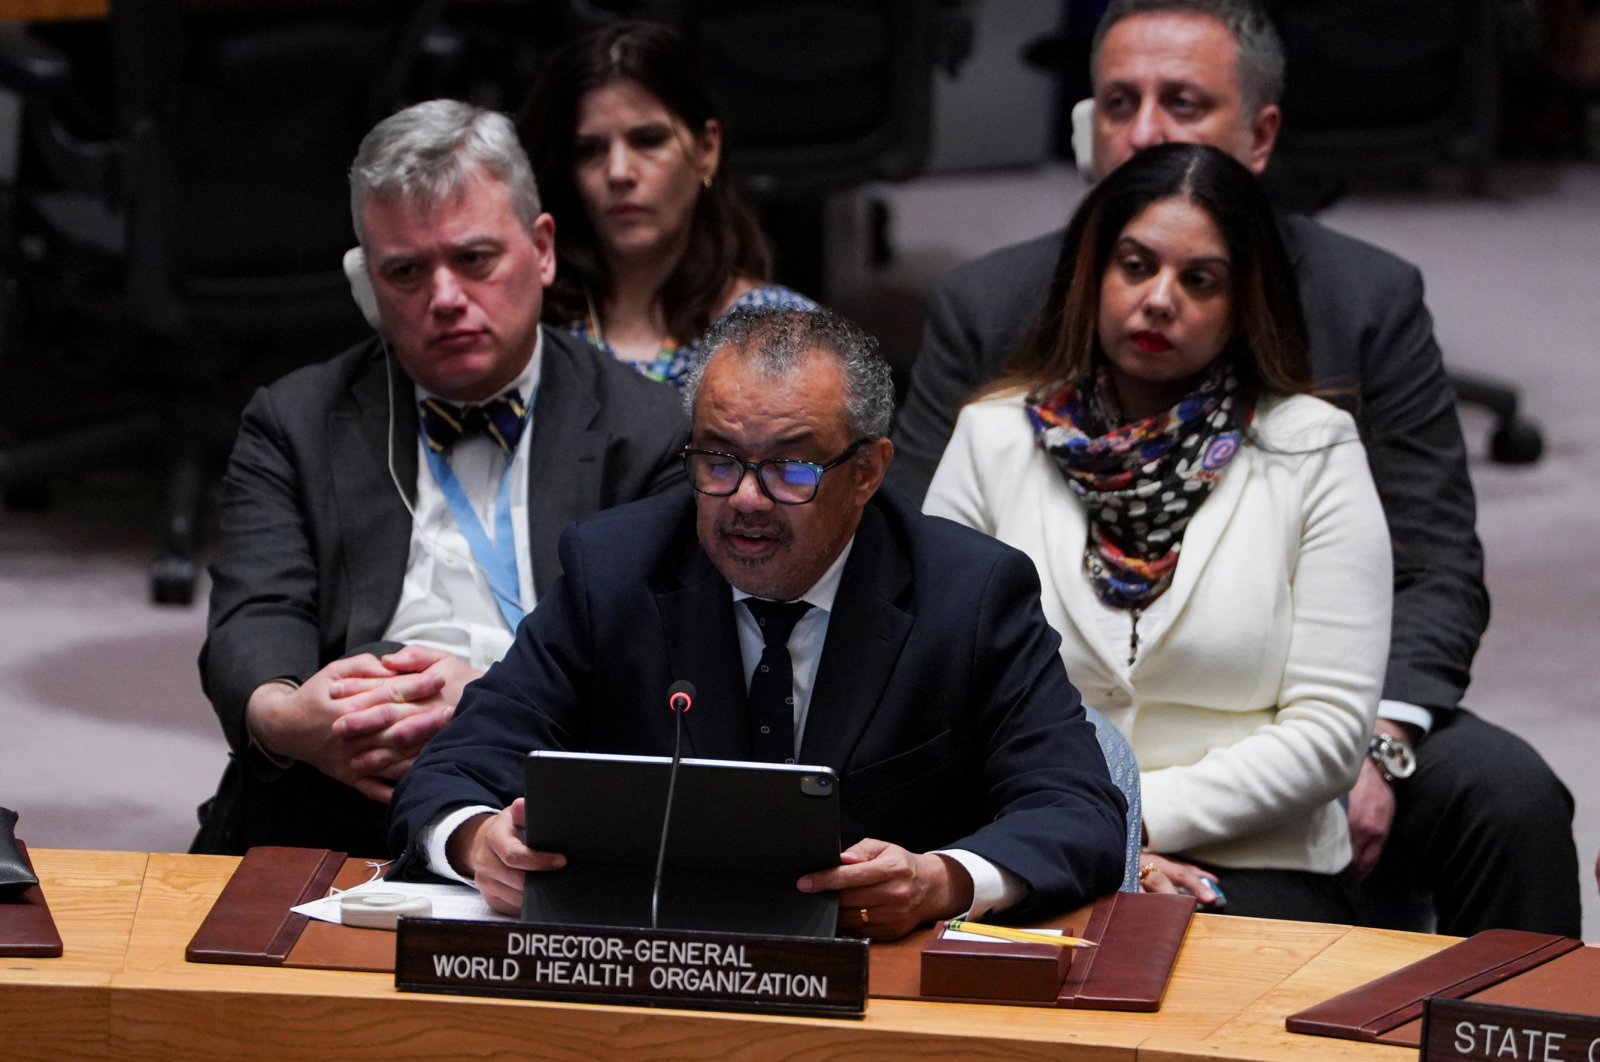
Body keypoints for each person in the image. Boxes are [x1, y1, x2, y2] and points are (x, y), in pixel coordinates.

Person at [894, 0, 1580, 937]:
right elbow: (915, 584)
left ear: (1259, 135)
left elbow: (1432, 563)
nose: (1143, 133)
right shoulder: (990, 320)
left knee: (1511, 799)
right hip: (1046, 776)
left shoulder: (1362, 309)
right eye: (1117, 102)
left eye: (1180, 103)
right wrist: (1080, 824)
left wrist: (1378, 744)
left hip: (1304, 730)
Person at [388, 307, 1128, 938]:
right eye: (718, 460)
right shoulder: (612, 570)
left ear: (868, 470)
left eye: (790, 469)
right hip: (652, 977)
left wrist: (944, 880)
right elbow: (453, 768)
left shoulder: (967, 594)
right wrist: (475, 839)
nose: (745, 498)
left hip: (877, 995)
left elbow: (1078, 808)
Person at [193, 100, 689, 857]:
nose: (446, 297)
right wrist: (285, 716)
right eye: (406, 271)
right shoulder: (294, 419)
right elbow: (253, 616)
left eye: (474, 259)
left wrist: (497, 700)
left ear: (543, 249)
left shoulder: (649, 432)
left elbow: (656, 665)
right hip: (338, 783)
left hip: (545, 793)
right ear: (368, 284)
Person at [927, 143, 1390, 922]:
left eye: (1198, 280)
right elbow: (939, 688)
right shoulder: (990, 437)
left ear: (1245, 301)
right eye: (1136, 266)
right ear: (1093, 274)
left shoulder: (1315, 448)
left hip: (1254, 860)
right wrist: (1079, 837)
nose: (1159, 299)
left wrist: (1126, 823)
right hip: (1029, 844)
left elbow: (1331, 734)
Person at [517, 20, 815, 389]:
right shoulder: (523, 330)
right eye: (589, 151)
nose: (619, 172)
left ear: (706, 150)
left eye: (648, 140)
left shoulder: (781, 334)